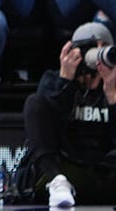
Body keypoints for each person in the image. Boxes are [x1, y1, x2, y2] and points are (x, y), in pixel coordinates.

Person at [17, 22, 116, 207]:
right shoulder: (54, 80)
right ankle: (57, 182)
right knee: (34, 102)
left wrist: (112, 95)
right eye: (94, 48)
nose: (99, 56)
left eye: (105, 48)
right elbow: (48, 130)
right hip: (64, 168)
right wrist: (66, 82)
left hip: (105, 171)